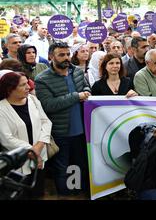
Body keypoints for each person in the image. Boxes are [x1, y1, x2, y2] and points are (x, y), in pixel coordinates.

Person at [34, 42, 91, 196]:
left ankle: (78, 191)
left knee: (80, 165)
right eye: (61, 55)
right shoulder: (42, 79)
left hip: (81, 131)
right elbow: (48, 105)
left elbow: (86, 88)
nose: (66, 58)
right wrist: (76, 96)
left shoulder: (77, 72)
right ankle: (65, 195)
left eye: (68, 54)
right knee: (62, 168)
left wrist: (86, 92)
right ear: (51, 57)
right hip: (60, 133)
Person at [0, 72, 52, 198]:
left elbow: (46, 122)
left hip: (39, 159)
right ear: (10, 89)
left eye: (27, 83)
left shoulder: (33, 100)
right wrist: (32, 151)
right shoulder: (1, 108)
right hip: (18, 164)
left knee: (37, 192)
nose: (28, 87)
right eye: (23, 85)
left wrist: (39, 147)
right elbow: (7, 138)